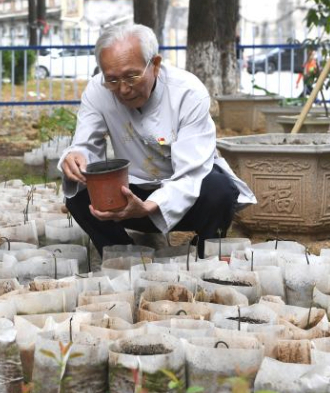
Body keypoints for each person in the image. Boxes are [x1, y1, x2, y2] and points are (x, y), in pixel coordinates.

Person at [58, 24, 256, 257]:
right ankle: (123, 256)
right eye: (112, 80)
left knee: (220, 190)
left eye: (132, 76)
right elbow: (85, 144)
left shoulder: (187, 93)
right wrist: (76, 157)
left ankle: (205, 257)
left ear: (155, 64)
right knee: (79, 193)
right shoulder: (97, 90)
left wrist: (149, 207)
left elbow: (191, 173)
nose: (123, 89)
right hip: (130, 193)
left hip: (186, 196)